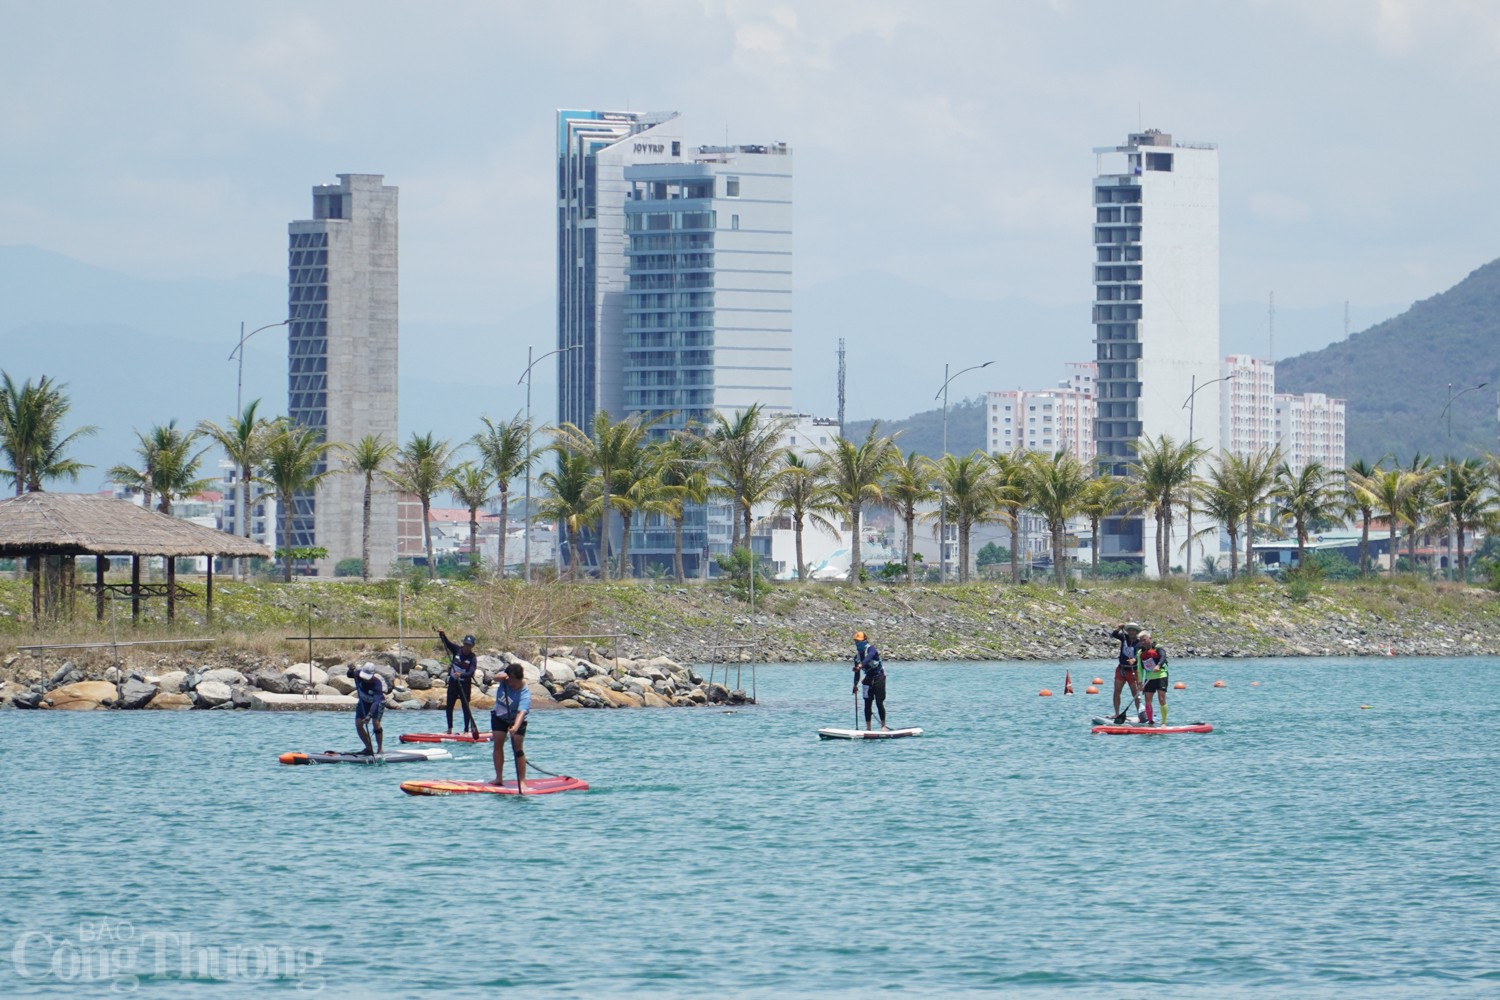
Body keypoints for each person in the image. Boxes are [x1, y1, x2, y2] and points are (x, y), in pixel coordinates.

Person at [491, 663, 531, 793]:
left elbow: (521, 713)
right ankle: (499, 778)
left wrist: (515, 727)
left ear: (520, 679)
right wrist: (502, 677)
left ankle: (522, 780)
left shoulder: (525, 693)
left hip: (516, 719)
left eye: (514, 683)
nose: (511, 685)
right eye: (510, 681)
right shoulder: (505, 679)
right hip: (499, 716)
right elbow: (495, 678)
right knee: (498, 744)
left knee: (518, 748)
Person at [437, 628, 481, 739]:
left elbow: (471, 672)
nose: (467, 647)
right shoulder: (457, 650)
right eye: (466, 644)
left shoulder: (472, 658)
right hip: (453, 683)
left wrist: (461, 675)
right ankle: (449, 729)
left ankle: (466, 730)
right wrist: (442, 634)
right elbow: (447, 643)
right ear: (463, 643)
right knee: (449, 706)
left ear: (472, 646)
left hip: (465, 684)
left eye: (469, 645)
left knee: (466, 707)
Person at [852, 630, 889, 731]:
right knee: (867, 704)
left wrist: (860, 666)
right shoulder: (857, 657)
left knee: (879, 702)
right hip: (868, 679)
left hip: (879, 678)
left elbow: (868, 658)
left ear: (865, 640)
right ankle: (868, 728)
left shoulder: (871, 649)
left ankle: (883, 726)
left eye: (859, 641)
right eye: (856, 642)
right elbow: (857, 673)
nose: (857, 644)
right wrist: (855, 685)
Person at [353, 662, 393, 756]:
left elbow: (376, 702)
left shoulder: (377, 684)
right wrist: (350, 669)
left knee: (376, 723)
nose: (364, 679)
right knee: (359, 724)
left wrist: (369, 716)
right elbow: (349, 674)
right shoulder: (358, 674)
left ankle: (380, 749)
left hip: (377, 704)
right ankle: (369, 748)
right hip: (363, 702)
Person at [1107, 621, 1143, 723]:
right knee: (1117, 691)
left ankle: (1140, 715)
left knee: (1135, 694)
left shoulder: (1140, 643)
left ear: (1136, 632)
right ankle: (1117, 713)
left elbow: (1140, 654)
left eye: (1133, 630)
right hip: (1122, 670)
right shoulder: (1124, 638)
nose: (1131, 632)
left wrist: (1135, 659)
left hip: (1133, 671)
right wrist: (1119, 628)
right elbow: (1114, 634)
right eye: (1129, 630)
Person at [1137, 631, 1170, 726]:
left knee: (1161, 699)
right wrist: (1140, 682)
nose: (1142, 642)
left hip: (1161, 676)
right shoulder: (1140, 652)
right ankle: (1150, 721)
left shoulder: (1158, 648)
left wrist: (1158, 665)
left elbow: (1163, 657)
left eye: (1144, 640)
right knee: (1148, 700)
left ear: (1149, 638)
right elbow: (1139, 668)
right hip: (1149, 678)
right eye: (1141, 641)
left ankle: (1164, 722)